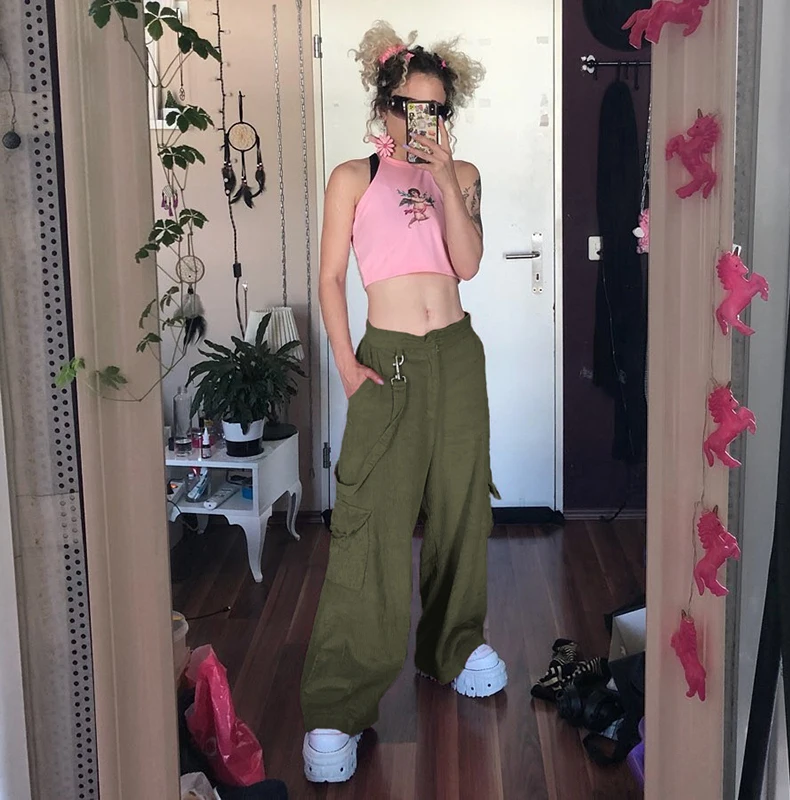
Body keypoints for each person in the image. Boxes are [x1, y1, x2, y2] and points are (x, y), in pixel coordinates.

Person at [300, 21, 506, 783]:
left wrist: (446, 178)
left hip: (457, 355)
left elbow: (469, 264)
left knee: (461, 508)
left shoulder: (464, 173)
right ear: (383, 106)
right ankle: (339, 701)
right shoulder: (352, 178)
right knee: (370, 525)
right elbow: (330, 278)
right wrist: (347, 367)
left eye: (437, 109)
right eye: (410, 107)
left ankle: (453, 645)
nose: (423, 121)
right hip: (386, 358)